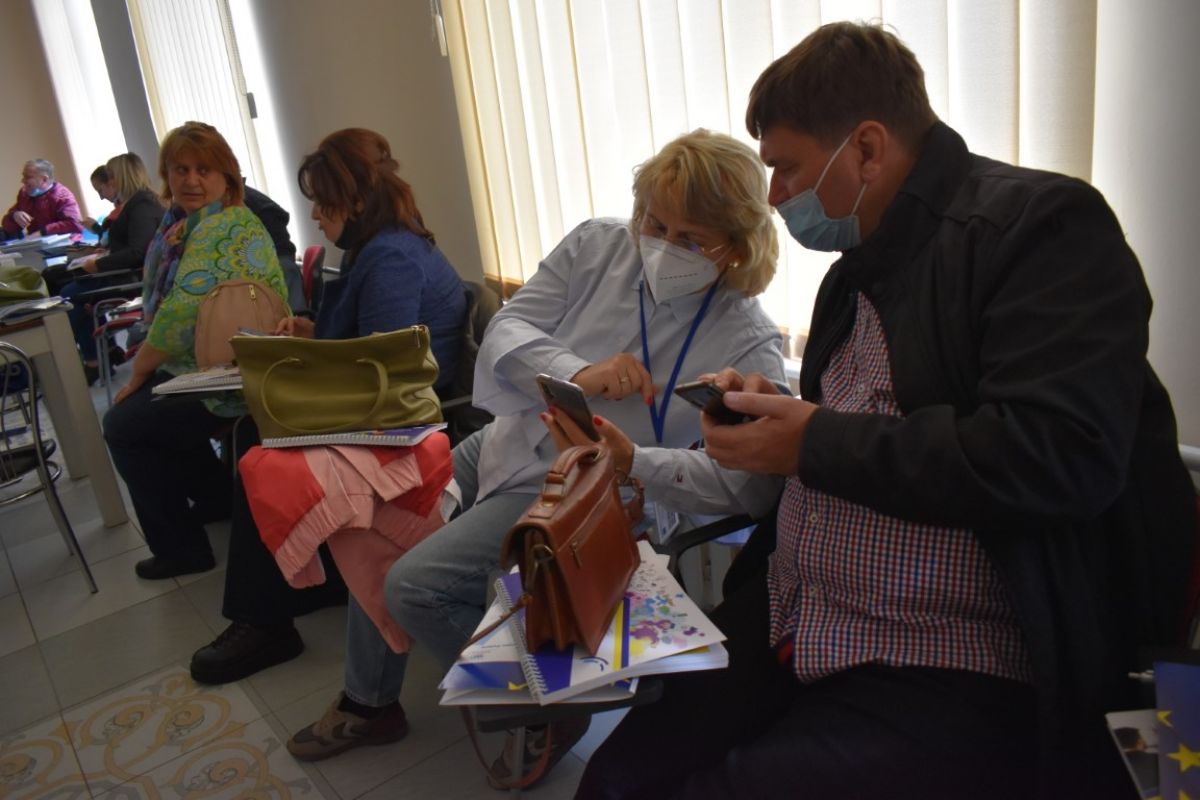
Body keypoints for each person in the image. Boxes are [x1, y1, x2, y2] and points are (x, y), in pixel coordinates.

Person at [577, 22, 1197, 800]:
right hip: (799, 612)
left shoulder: (1038, 231)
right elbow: (862, 421)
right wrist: (778, 416)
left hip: (948, 653)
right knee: (614, 779)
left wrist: (814, 442)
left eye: (786, 168)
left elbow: (1059, 454)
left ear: (867, 149)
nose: (775, 196)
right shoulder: (854, 274)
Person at [284, 130, 788, 780]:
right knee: (371, 513)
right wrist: (579, 371)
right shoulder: (599, 246)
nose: (663, 246)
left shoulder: (746, 339)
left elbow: (749, 490)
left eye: (691, 240)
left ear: (737, 247)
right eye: (655, 224)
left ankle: (547, 703)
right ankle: (370, 700)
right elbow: (507, 328)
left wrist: (635, 462)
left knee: (415, 586)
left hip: (589, 491)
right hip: (511, 435)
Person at [187, 127, 467, 686]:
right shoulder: (381, 245)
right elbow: (369, 350)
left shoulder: (388, 257)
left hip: (401, 422)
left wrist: (294, 367)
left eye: (323, 201)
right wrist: (313, 334)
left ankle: (265, 621)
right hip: (389, 402)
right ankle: (290, 588)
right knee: (254, 431)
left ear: (355, 200)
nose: (315, 214)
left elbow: (378, 368)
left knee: (262, 444)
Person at [103, 121, 288, 581]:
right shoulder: (183, 223)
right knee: (151, 414)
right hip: (206, 363)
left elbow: (179, 316)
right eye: (180, 169)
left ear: (227, 175)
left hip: (237, 374)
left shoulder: (225, 227)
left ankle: (182, 549)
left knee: (123, 426)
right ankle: (215, 499)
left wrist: (139, 372)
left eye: (204, 170)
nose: (191, 180)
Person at [56, 153, 166, 383]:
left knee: (69, 296)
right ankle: (102, 353)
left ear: (122, 177)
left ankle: (93, 359)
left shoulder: (141, 206)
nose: (110, 181)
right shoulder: (136, 203)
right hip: (123, 273)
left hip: (131, 279)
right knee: (63, 283)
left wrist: (97, 264)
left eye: (112, 176)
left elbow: (137, 252)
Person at [1, 159, 84, 239]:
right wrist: (14, 216)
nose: (23, 181)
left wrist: (44, 231)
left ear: (44, 179)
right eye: (23, 176)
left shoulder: (62, 195)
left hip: (65, 244)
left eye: (28, 177)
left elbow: (75, 224)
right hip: (35, 244)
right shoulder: (24, 195)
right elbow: (8, 227)